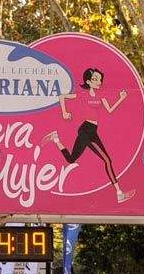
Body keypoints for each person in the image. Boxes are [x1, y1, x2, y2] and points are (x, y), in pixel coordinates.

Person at [41, 67, 134, 203]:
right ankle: (119, 193)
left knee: (72, 159)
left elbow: (110, 110)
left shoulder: (100, 96)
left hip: (92, 131)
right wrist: (64, 113)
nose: (99, 82)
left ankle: (56, 139)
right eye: (95, 79)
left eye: (100, 80)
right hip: (86, 130)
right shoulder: (82, 94)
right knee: (107, 160)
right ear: (88, 81)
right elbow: (62, 97)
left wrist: (121, 98)